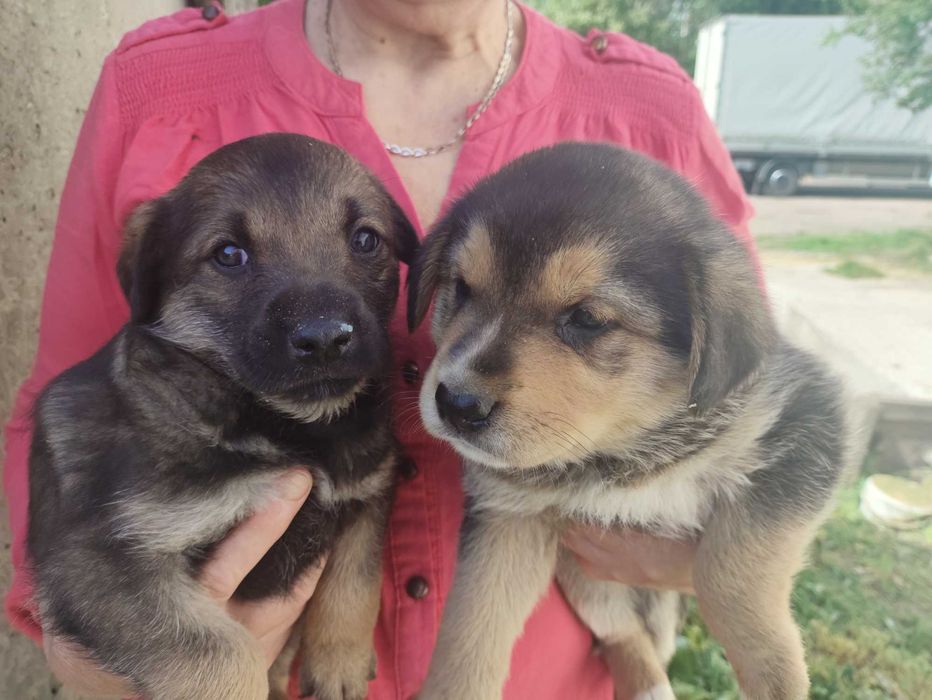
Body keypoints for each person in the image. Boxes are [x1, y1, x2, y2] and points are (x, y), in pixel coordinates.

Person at [3, 0, 754, 696]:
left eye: (367, 243)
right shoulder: (160, 89)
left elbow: (749, 401)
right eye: (229, 255)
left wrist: (702, 561)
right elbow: (57, 431)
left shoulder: (652, 114)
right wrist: (110, 667)